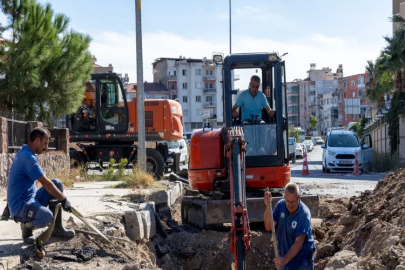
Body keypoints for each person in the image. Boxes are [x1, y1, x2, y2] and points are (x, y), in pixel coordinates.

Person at [7, 127, 74, 244]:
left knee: (57, 183)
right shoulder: (27, 158)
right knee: (47, 217)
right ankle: (26, 227)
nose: (46, 148)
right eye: (45, 143)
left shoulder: (27, 153)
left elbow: (50, 184)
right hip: (21, 207)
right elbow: (46, 183)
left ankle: (57, 229)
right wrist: (63, 199)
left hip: (31, 200)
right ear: (37, 140)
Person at [264, 183, 315, 270]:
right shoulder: (281, 205)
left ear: (298, 197)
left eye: (293, 202)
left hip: (301, 262)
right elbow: (269, 226)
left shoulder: (304, 214)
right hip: (285, 261)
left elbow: (298, 242)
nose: (290, 205)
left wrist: (285, 259)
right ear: (284, 197)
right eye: (288, 201)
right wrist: (268, 207)